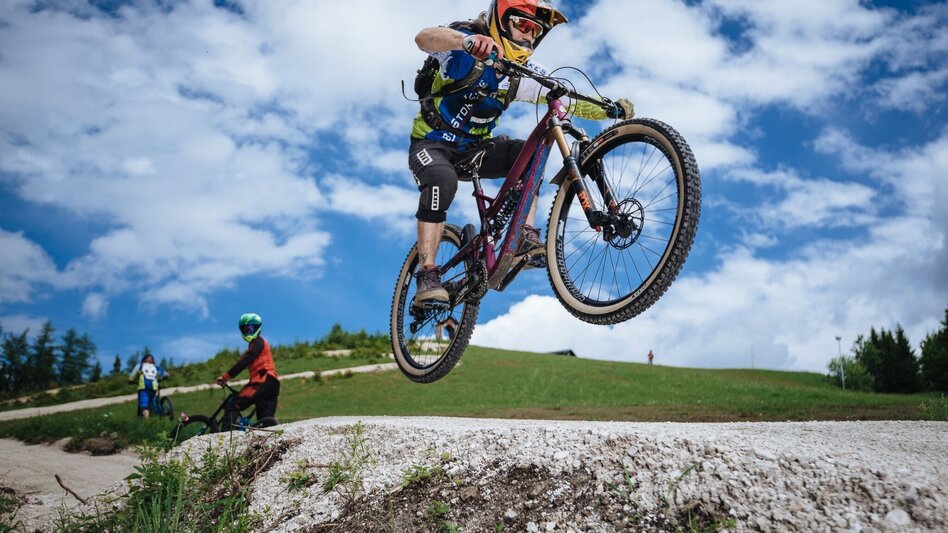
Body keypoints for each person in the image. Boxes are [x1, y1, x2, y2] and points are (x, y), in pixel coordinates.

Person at [409, 0, 634, 306]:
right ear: (501, 21)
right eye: (522, 25)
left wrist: (608, 109)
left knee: (525, 153)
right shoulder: (463, 47)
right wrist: (466, 42)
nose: (528, 35)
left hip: (475, 150)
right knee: (441, 181)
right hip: (432, 144)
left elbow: (568, 98)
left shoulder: (523, 73)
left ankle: (525, 235)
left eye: (535, 31)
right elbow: (424, 37)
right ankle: (427, 273)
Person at [215, 313, 280, 429]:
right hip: (272, 384)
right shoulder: (260, 343)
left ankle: (225, 436)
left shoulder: (258, 342)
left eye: (250, 329)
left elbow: (246, 360)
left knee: (233, 405)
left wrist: (225, 376)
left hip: (262, 381)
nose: (248, 332)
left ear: (257, 328)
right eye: (245, 330)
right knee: (265, 423)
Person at [128, 353, 169, 418]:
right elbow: (166, 374)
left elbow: (131, 378)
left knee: (144, 405)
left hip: (143, 388)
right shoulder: (155, 367)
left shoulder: (139, 366)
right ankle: (158, 416)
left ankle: (146, 420)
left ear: (144, 360)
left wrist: (132, 381)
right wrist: (160, 379)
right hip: (154, 389)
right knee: (154, 402)